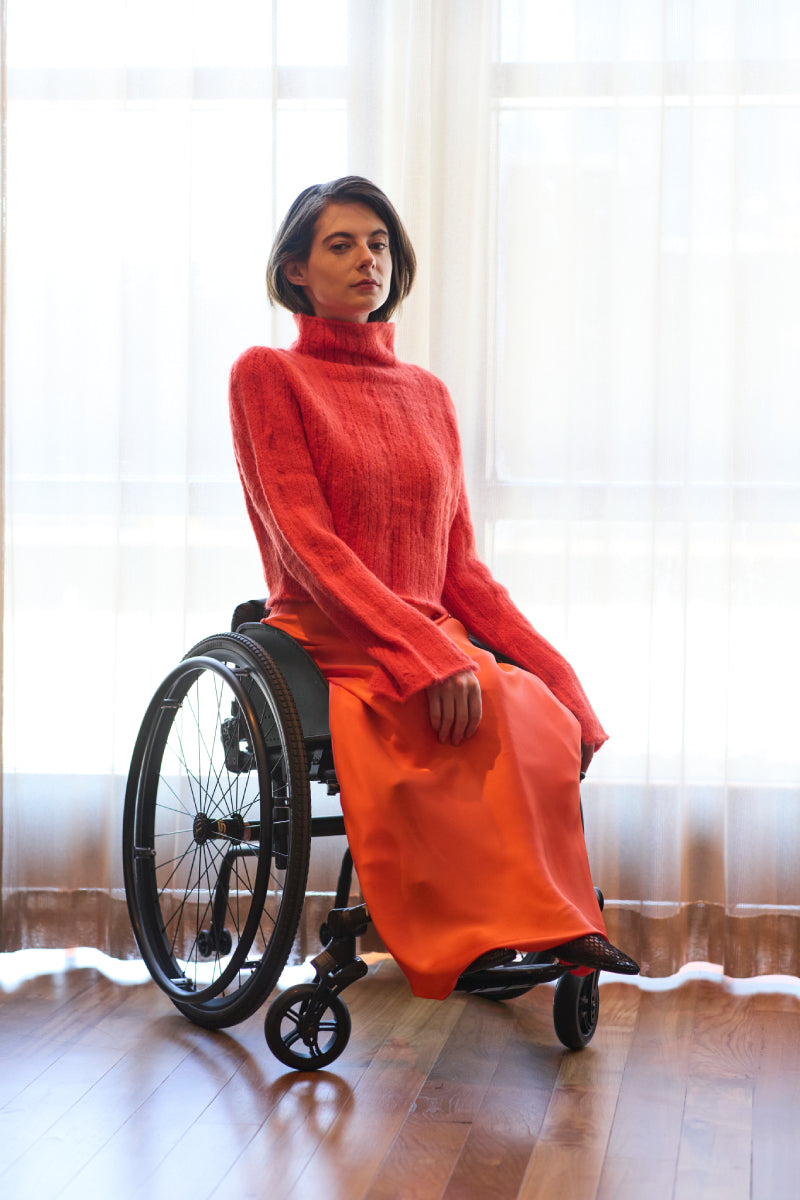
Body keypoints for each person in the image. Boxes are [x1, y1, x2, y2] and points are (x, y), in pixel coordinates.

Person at [229, 176, 639, 1000]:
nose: (366, 259)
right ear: (297, 270)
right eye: (341, 245)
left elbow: (460, 571)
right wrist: (422, 655)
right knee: (457, 708)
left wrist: (559, 676)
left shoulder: (428, 395)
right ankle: (470, 934)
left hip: (433, 630)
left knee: (531, 708)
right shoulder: (268, 374)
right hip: (330, 628)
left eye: (378, 244)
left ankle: (553, 921)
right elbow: (306, 544)